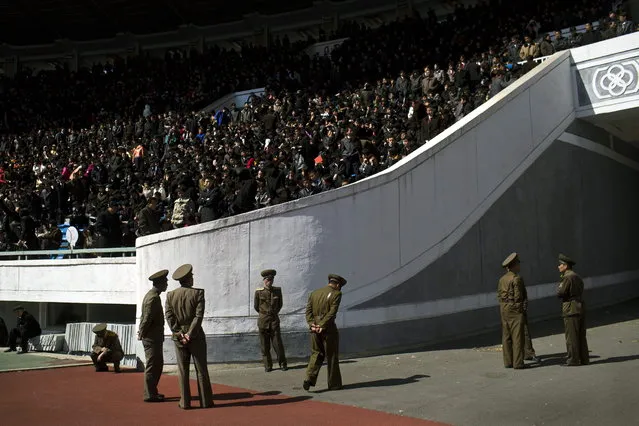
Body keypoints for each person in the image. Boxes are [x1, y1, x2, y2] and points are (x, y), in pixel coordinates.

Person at [165, 264, 214, 409]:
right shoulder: (198, 294)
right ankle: (205, 402)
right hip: (196, 336)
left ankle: (185, 402)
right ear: (188, 279)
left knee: (183, 371)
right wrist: (189, 334)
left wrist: (180, 334)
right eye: (192, 276)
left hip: (178, 339)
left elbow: (169, 316)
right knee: (201, 370)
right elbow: (198, 317)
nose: (193, 278)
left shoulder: (171, 295)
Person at [303, 274, 347, 391]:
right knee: (331, 356)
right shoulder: (337, 294)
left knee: (316, 353)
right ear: (337, 285)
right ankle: (334, 384)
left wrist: (312, 324)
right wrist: (322, 325)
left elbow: (308, 311)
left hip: (314, 328)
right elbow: (332, 312)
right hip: (328, 329)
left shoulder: (314, 293)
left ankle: (309, 378)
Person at [138, 269, 169, 402]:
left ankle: (152, 391)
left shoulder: (153, 295)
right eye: (165, 282)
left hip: (153, 336)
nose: (167, 284)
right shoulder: (153, 298)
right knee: (153, 365)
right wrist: (142, 333)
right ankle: (149, 394)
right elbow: (147, 318)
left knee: (157, 364)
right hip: (151, 338)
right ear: (160, 283)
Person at [557, 254, 589, 366]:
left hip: (570, 308)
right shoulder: (577, 276)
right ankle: (584, 359)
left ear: (565, 266)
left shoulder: (567, 277)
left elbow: (560, 293)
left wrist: (559, 288)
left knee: (571, 336)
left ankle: (573, 359)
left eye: (560, 264)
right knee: (581, 335)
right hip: (580, 306)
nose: (558, 267)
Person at [254, 269, 287, 372]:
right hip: (263, 321)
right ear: (264, 280)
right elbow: (256, 306)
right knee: (265, 345)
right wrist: (264, 313)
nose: (270, 281)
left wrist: (274, 312)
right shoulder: (258, 292)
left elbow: (280, 304)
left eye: (271, 279)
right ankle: (268, 366)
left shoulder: (277, 290)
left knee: (278, 344)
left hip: (274, 320)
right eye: (268, 280)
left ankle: (282, 364)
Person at [497, 253, 526, 369]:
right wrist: (520, 309)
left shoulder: (502, 279)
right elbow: (518, 296)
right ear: (514, 265)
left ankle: (508, 362)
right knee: (517, 336)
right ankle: (518, 362)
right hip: (514, 308)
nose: (519, 266)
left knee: (506, 335)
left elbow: (499, 294)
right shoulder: (516, 278)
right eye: (518, 263)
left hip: (504, 307)